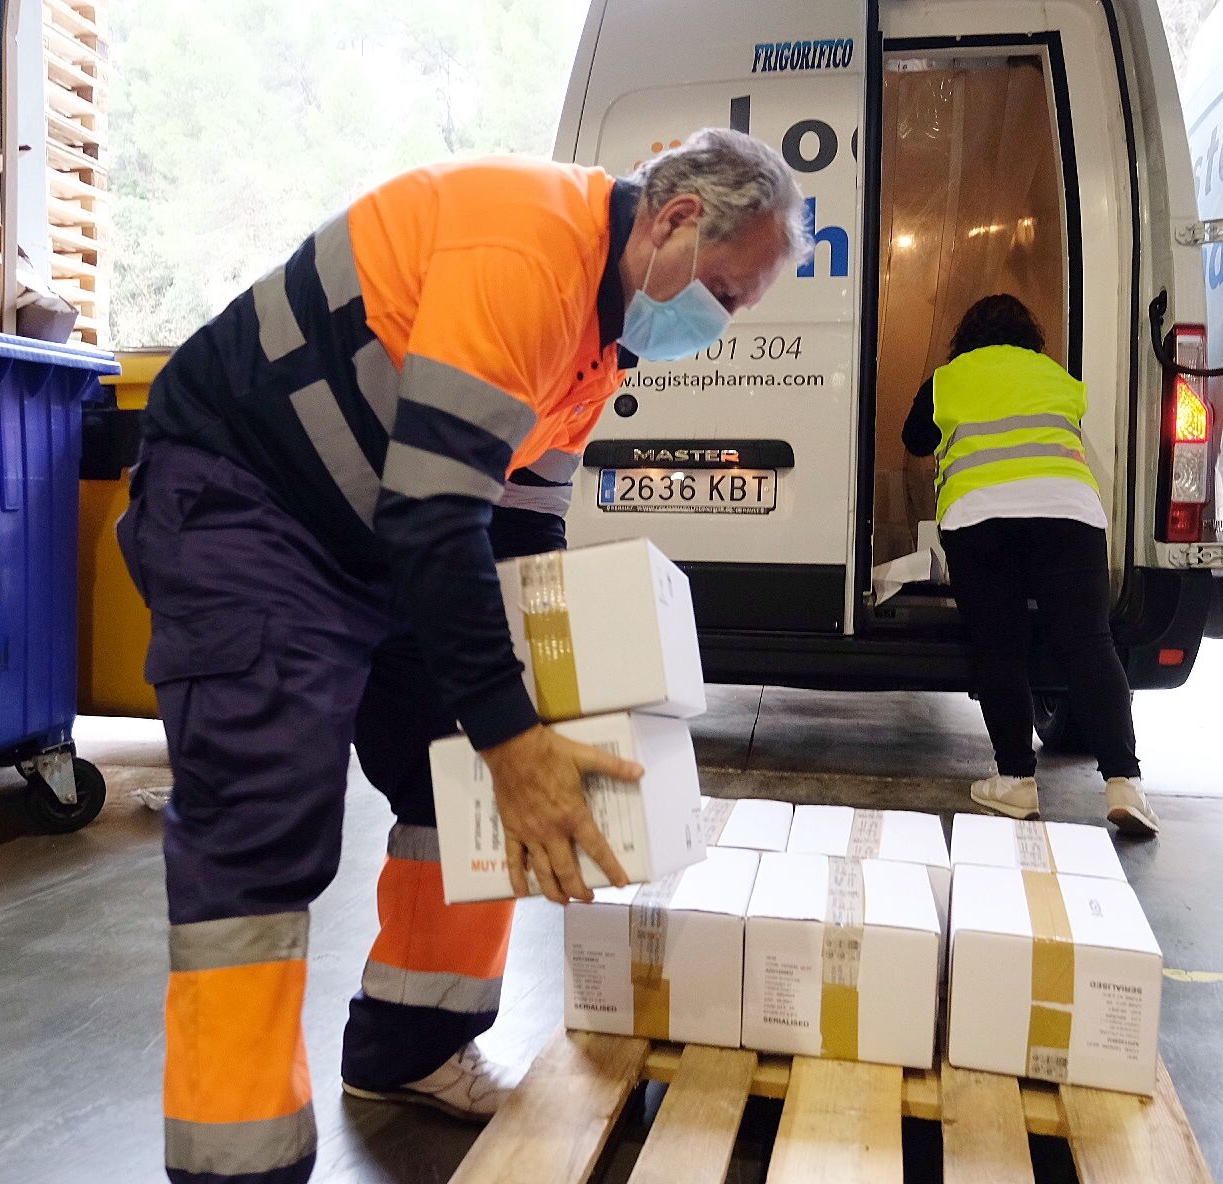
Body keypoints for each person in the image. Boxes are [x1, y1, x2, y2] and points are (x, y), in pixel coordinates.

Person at [119, 129, 806, 1184]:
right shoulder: (530, 254)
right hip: (247, 504)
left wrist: (541, 716)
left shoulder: (601, 344)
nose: (721, 323)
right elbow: (441, 515)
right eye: (724, 289)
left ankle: (408, 1049)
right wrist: (513, 734)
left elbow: (518, 535)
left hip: (383, 532)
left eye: (742, 305)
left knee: (466, 783)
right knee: (262, 830)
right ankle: (235, 1164)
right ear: (671, 222)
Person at [902, 294, 1160, 839]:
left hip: (981, 521)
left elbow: (914, 440)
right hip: (1070, 516)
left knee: (1001, 646)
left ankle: (1016, 781)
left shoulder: (949, 379)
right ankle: (1125, 785)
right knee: (1090, 644)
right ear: (1030, 337)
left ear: (966, 336)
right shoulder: (1055, 376)